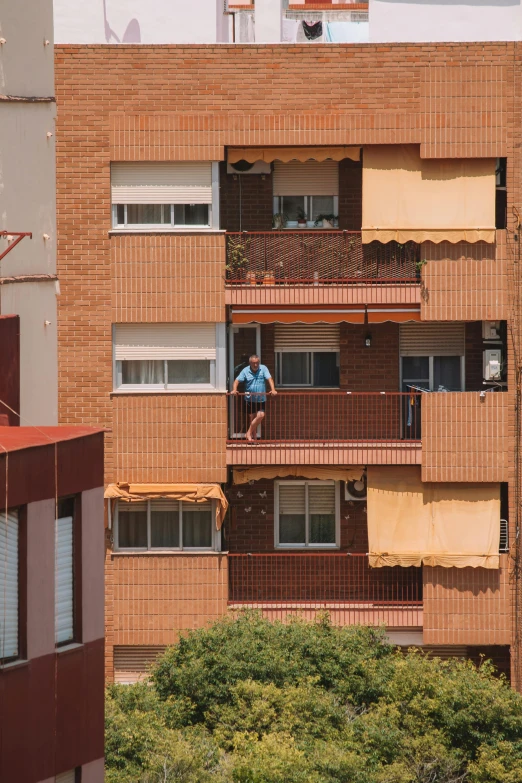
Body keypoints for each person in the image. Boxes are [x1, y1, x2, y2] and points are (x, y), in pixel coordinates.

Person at [231, 354, 277, 441]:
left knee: (261, 415)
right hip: (249, 399)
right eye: (253, 363)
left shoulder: (263, 368)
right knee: (252, 419)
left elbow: (269, 379)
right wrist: (234, 389)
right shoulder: (245, 370)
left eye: (257, 363)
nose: (255, 365)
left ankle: (248, 433)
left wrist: (273, 389)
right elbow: (236, 381)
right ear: (250, 363)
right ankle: (253, 438)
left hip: (261, 399)